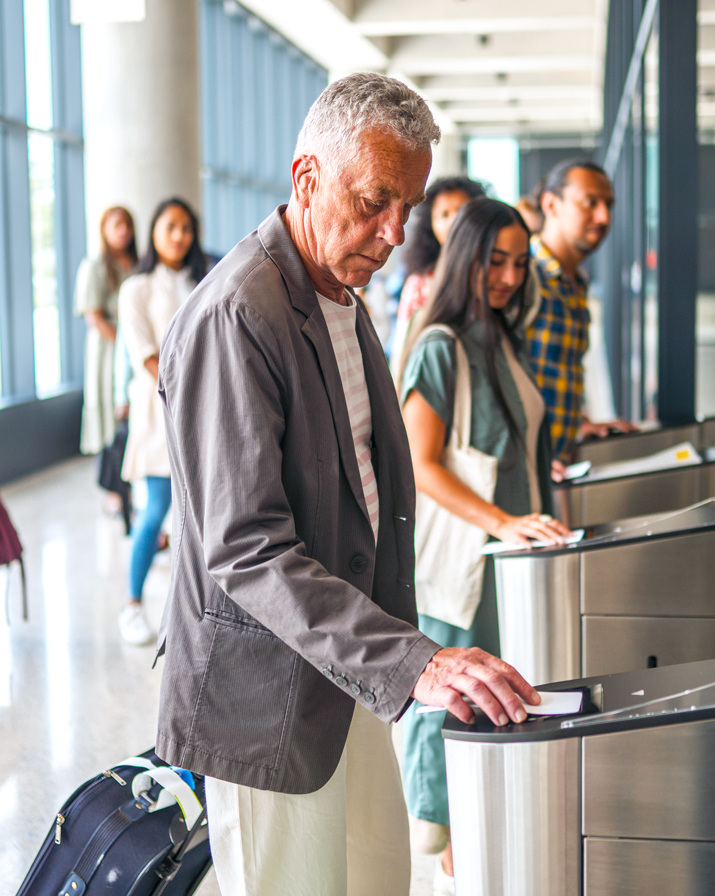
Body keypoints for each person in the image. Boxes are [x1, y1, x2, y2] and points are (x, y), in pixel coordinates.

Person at [154, 72, 541, 896]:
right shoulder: (238, 315)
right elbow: (247, 549)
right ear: (306, 178)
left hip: (349, 668)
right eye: (374, 201)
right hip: (268, 692)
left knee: (373, 878)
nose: (395, 230)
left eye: (407, 204)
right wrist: (414, 661)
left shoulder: (339, 288)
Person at [400, 198, 570, 891]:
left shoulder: (502, 337)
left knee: (498, 689)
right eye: (495, 260)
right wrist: (503, 520)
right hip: (466, 558)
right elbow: (421, 461)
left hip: (511, 558)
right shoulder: (439, 344)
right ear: (464, 258)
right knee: (453, 696)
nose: (507, 275)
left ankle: (475, 835)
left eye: (520, 263)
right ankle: (443, 840)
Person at [115, 197, 209, 645]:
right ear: (153, 231)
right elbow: (145, 356)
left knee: (196, 518)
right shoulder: (137, 288)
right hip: (160, 410)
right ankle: (132, 605)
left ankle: (188, 611)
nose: (178, 236)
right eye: (170, 226)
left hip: (203, 407)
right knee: (155, 511)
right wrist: (187, 389)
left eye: (186, 228)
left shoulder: (203, 280)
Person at [527, 160, 636, 465]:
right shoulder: (520, 278)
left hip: (558, 471)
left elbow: (554, 377)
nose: (603, 216)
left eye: (608, 205)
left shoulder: (576, 284)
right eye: (590, 203)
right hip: (517, 476)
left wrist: (579, 425)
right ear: (551, 204)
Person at [388, 176, 484, 374]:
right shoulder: (421, 284)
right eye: (444, 215)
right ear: (430, 225)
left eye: (461, 211)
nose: (453, 223)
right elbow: (403, 354)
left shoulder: (495, 275)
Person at [75, 206, 137, 458]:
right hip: (108, 346)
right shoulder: (95, 265)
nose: (123, 232)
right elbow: (94, 317)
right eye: (117, 226)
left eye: (127, 225)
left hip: (133, 343)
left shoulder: (137, 263)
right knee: (107, 406)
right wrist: (127, 343)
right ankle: (111, 482)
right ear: (104, 230)